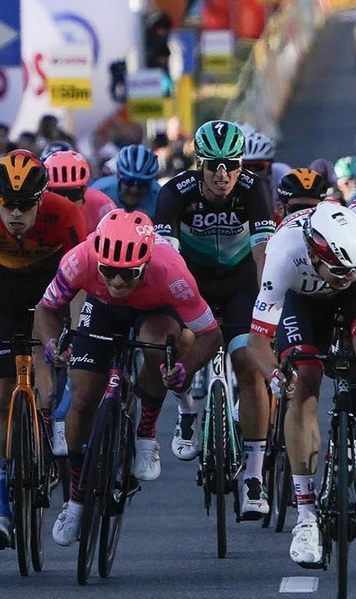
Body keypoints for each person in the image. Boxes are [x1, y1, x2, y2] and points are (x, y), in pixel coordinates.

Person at [36, 209, 223, 546]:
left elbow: (211, 335)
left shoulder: (170, 270)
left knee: (157, 348)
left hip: (155, 309)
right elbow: (47, 309)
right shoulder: (80, 259)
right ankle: (76, 499)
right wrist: (53, 344)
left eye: (128, 273)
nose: (119, 282)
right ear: (98, 260)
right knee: (82, 398)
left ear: (146, 264)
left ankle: (146, 431)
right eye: (109, 271)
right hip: (103, 309)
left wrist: (184, 368)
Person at [0, 150, 86, 549]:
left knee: (47, 376)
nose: (15, 213)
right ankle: (0, 513)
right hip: (1, 293)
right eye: (7, 203)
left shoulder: (65, 214)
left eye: (25, 205)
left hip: (52, 289)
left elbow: (78, 282)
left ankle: (49, 428)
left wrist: (76, 333)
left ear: (41, 199)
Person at [153, 120, 275, 518]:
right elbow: (166, 260)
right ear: (199, 164)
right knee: (181, 343)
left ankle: (254, 478)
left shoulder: (254, 188)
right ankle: (187, 410)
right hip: (193, 283)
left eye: (231, 164)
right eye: (212, 165)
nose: (222, 174)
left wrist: (266, 306)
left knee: (249, 365)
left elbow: (262, 254)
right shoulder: (175, 193)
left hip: (241, 284)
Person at [244, 201, 356, 565]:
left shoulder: (353, 265)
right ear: (315, 252)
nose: (346, 276)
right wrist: (275, 374)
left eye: (352, 270)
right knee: (305, 379)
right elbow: (256, 341)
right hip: (301, 301)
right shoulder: (284, 255)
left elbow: (350, 278)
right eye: (339, 270)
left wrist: (349, 276)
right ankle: (307, 516)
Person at [43, 149, 115, 234]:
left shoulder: (102, 206)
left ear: (84, 191)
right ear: (46, 193)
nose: (66, 201)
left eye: (73, 194)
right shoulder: (34, 208)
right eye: (59, 195)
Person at [89, 144, 163, 217]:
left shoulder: (161, 200)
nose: (134, 189)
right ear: (118, 176)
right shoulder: (100, 192)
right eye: (129, 182)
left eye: (142, 184)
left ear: (151, 183)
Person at [242, 131, 291, 211]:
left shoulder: (283, 174)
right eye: (245, 167)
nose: (251, 172)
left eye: (259, 167)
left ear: (270, 166)